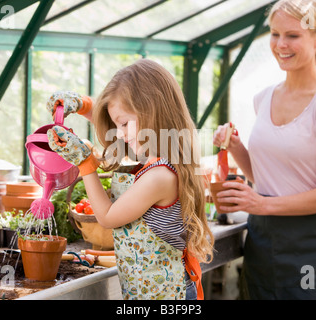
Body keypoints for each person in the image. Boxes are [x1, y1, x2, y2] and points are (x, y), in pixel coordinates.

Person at [213, 0, 316, 299]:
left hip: (311, 246)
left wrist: (262, 205)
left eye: (292, 35)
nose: (280, 44)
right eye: (275, 34)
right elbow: (266, 176)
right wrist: (235, 145)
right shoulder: (263, 98)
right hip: (263, 242)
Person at [46, 59, 214, 300]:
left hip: (166, 295)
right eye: (117, 124)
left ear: (153, 111)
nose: (121, 134)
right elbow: (115, 130)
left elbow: (107, 217)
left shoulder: (160, 176)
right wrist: (83, 105)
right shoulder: (159, 153)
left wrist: (86, 164)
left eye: (124, 124)